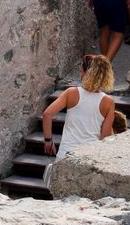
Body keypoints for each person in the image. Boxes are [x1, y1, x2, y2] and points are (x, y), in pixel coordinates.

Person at [41, 54, 117, 185]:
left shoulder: (71, 93)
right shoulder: (108, 102)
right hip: (90, 157)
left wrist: (48, 140)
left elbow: (47, 114)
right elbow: (105, 136)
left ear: (84, 72)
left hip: (66, 154)